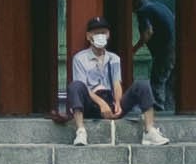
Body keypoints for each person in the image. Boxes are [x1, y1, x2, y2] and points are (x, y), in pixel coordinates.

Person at [61, 17, 165, 147]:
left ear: (108, 34)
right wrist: (101, 104)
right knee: (75, 86)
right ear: (88, 36)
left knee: (142, 84)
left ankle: (150, 130)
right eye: (96, 33)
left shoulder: (114, 58)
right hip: (92, 102)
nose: (100, 36)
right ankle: (81, 131)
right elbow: (84, 87)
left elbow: (116, 84)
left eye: (103, 32)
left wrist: (117, 103)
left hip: (110, 99)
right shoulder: (80, 58)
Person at [130, 0, 177, 103]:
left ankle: (158, 108)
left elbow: (148, 32)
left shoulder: (143, 11)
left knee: (157, 81)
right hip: (174, 46)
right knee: (169, 83)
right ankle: (168, 106)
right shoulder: (158, 5)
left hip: (165, 49)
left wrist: (133, 50)